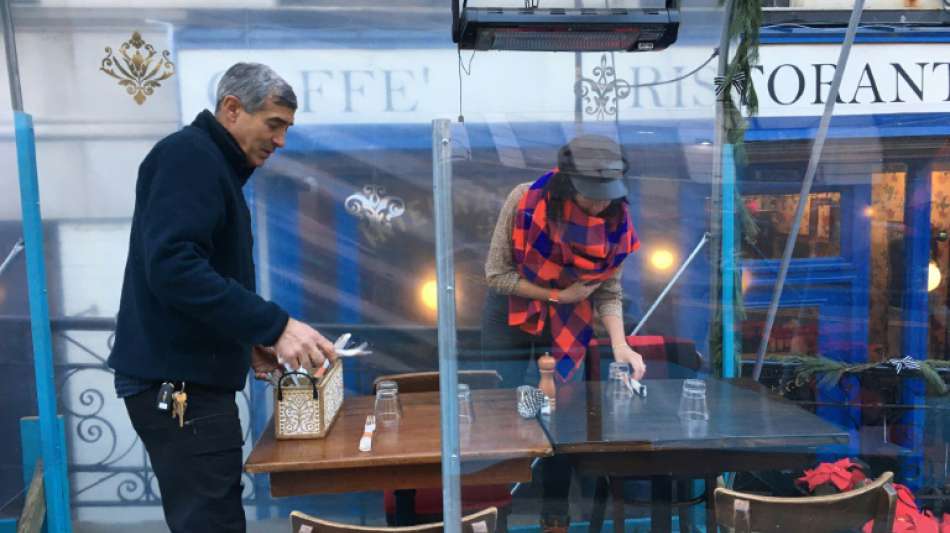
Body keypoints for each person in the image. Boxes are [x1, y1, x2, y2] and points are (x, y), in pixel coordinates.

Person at [108, 62, 334, 532]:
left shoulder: (204, 160)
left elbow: (190, 272)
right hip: (178, 387)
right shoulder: (189, 157)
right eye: (274, 124)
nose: (281, 141)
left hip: (182, 379)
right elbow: (173, 267)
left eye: (287, 128)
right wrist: (274, 324)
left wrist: (245, 338)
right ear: (232, 109)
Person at [480, 134, 646, 531]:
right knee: (503, 409)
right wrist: (558, 294)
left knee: (562, 419)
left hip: (570, 320)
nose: (599, 203)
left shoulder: (616, 221)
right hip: (513, 311)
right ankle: (489, 514)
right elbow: (496, 275)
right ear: (568, 185)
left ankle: (555, 519)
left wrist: (621, 345)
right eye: (591, 195)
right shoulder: (525, 200)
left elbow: (608, 290)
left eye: (608, 194)